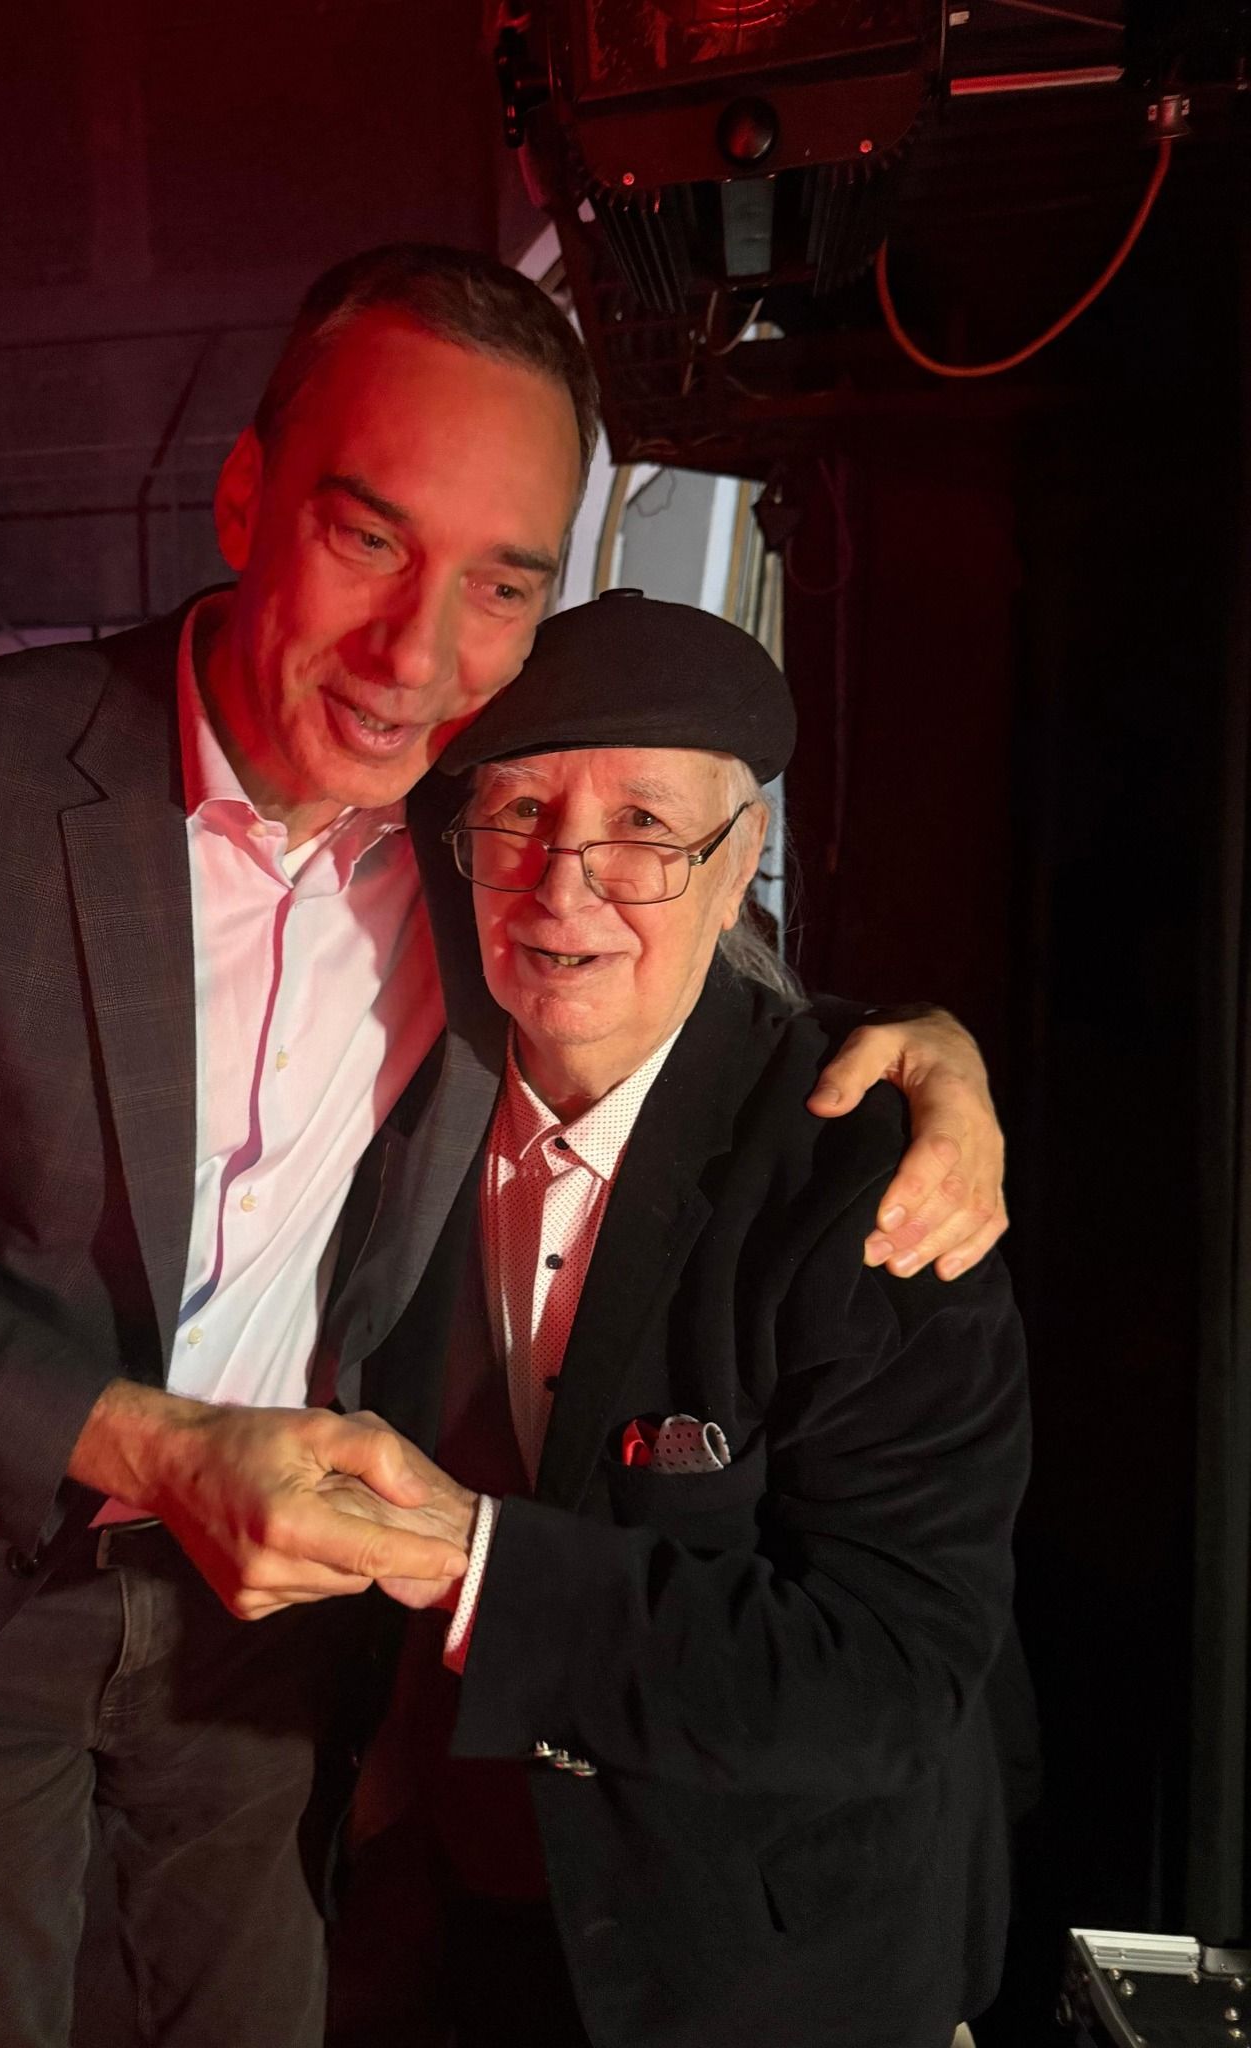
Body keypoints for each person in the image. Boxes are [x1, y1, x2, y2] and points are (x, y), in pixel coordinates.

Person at [0, 245, 1006, 2048]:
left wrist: (933, 1050)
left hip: (284, 1625)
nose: (418, 654)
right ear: (245, 499)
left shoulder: (468, 819)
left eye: (503, 584)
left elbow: (666, 923)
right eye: (367, 537)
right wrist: (159, 1446)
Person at [326, 591, 1029, 2048]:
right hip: (461, 1917)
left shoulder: (867, 1179)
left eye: (644, 829)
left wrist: (472, 1564)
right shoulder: (393, 1105)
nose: (563, 889)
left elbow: (887, 1674)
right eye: (521, 815)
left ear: (739, 859)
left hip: (772, 1965)